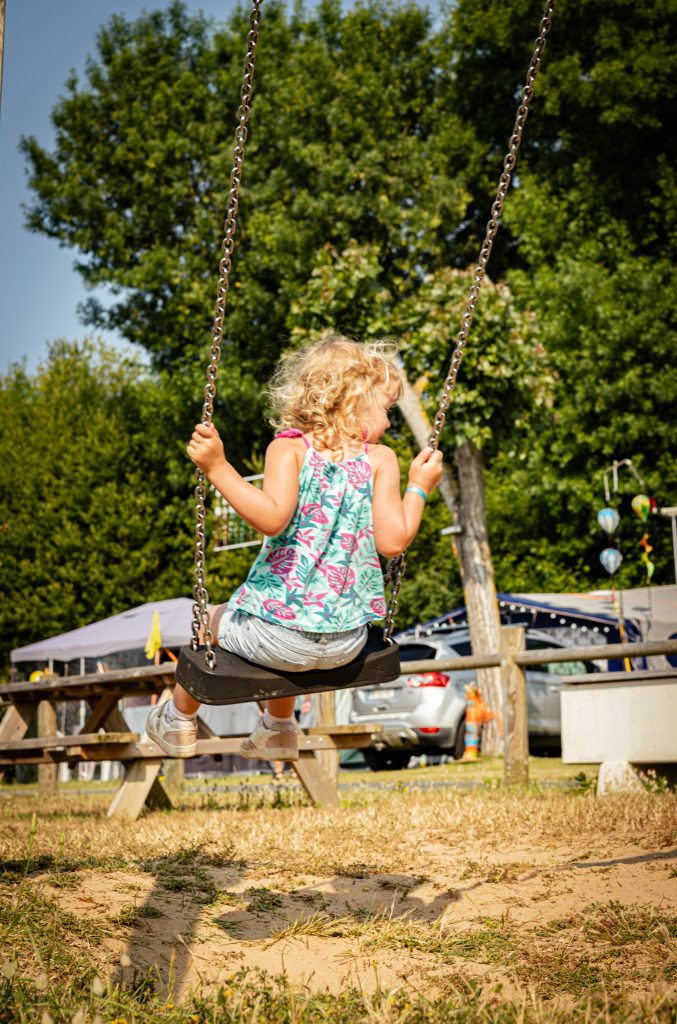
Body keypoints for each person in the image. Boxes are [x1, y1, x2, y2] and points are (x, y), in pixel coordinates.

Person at [147, 333, 443, 762]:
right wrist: (419, 487)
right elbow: (394, 542)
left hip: (278, 639)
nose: (389, 423)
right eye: (386, 409)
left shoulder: (288, 450)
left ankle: (178, 720)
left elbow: (271, 517)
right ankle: (280, 728)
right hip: (348, 643)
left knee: (213, 619)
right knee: (287, 627)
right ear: (352, 403)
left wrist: (217, 467)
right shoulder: (381, 460)